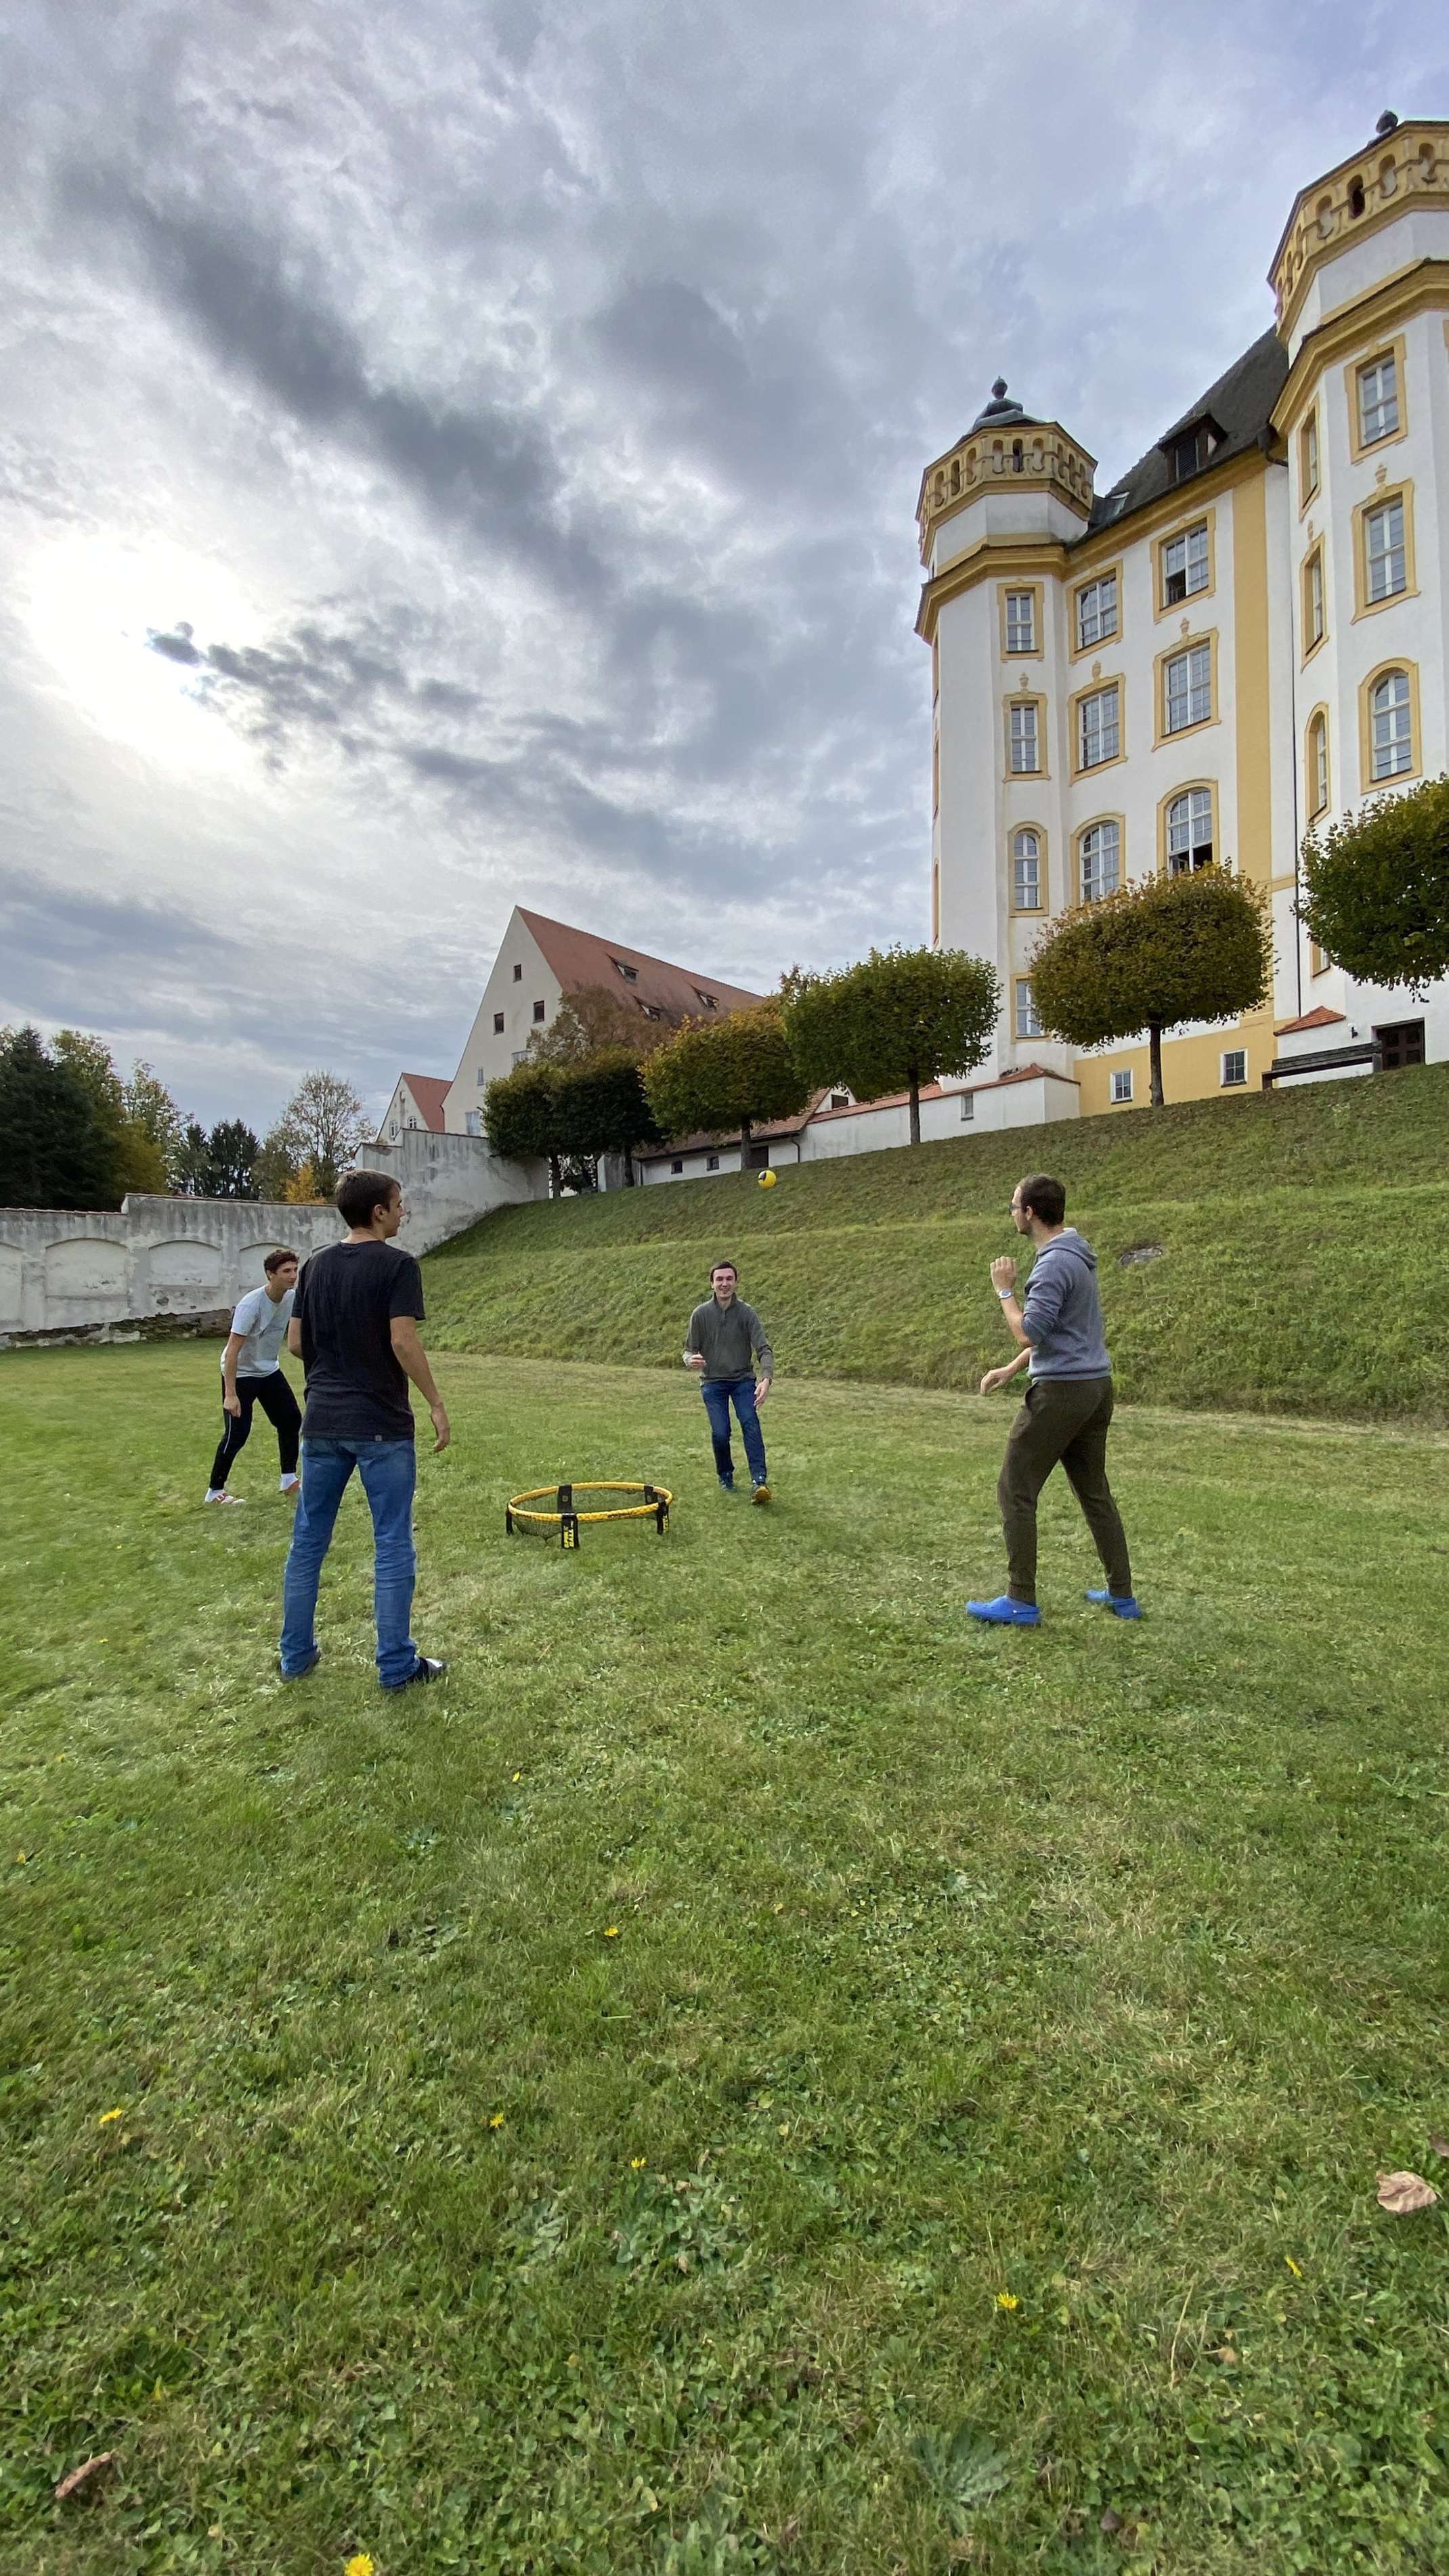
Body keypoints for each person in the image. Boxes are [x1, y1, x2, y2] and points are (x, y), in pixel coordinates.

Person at [278, 1169, 451, 1689]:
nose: (403, 1213)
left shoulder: (314, 1267)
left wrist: (339, 1361)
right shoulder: (398, 1265)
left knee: (308, 1542)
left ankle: (295, 1657)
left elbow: (295, 1344)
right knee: (393, 1542)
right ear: (378, 1212)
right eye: (399, 1204)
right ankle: (397, 1668)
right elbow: (403, 1342)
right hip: (381, 1426)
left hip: (322, 1424)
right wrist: (437, 1404)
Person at [967, 1173, 1140, 1625]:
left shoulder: (1052, 1264)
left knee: (1014, 1488)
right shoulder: (1076, 1254)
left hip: (1062, 1393)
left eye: (1013, 1206)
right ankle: (1122, 1596)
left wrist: (1004, 1289)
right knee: (1094, 1491)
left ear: (1030, 1213)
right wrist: (1012, 1368)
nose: (1011, 1214)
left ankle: (1020, 1600)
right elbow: (1064, 1334)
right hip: (1095, 1387)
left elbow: (1030, 1328)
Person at [204, 1248, 301, 1505]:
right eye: (286, 1271)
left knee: (291, 1420)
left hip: (268, 1370)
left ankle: (289, 1480)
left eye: (294, 1270)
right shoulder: (252, 1304)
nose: (293, 1276)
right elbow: (233, 1351)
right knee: (237, 1434)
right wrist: (231, 1394)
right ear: (271, 1275)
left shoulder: (292, 1298)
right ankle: (214, 1492)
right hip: (241, 1373)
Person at [683, 1260, 774, 1502]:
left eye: (729, 1279)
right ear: (712, 1284)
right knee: (721, 1432)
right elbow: (688, 1350)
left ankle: (759, 1482)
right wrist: (691, 1360)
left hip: (743, 1380)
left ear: (735, 1282)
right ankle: (726, 1476)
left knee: (750, 1424)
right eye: (719, 1280)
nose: (724, 1284)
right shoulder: (700, 1314)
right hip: (713, 1383)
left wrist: (766, 1379)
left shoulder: (747, 1313)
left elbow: (764, 1349)